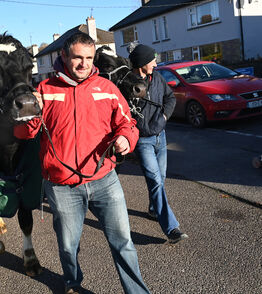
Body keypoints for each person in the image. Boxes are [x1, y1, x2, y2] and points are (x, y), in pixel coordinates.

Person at [14, 33, 150, 294]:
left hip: (105, 181)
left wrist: (125, 139)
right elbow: (23, 134)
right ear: (63, 56)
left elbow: (127, 123)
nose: (83, 64)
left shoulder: (107, 88)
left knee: (123, 242)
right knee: (68, 245)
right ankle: (72, 283)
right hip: (62, 186)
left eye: (88, 58)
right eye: (77, 57)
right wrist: (31, 113)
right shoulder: (44, 90)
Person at [128, 44, 188, 244]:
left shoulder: (158, 79)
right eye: (151, 60)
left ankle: (154, 210)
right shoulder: (128, 83)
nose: (155, 63)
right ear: (142, 63)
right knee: (155, 180)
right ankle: (171, 228)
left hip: (160, 138)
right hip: (143, 141)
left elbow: (170, 98)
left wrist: (163, 117)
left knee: (160, 179)